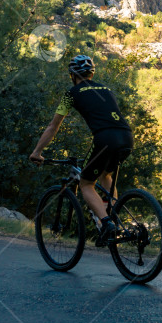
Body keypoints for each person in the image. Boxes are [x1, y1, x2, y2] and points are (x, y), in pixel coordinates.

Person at [30, 55, 133, 246]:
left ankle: (107, 223)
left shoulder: (71, 93)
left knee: (86, 184)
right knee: (106, 175)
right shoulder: (106, 89)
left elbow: (53, 126)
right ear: (91, 73)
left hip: (104, 139)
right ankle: (112, 222)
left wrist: (37, 151)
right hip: (126, 136)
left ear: (72, 75)